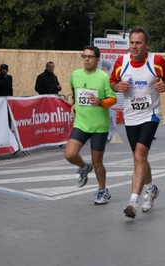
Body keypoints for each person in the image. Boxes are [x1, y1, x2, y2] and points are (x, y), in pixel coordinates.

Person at [109, 26, 165, 219]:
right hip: (130, 116)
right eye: (132, 43)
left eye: (138, 43)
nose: (134, 47)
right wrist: (117, 86)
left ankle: (132, 202)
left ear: (147, 44)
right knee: (139, 158)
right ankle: (151, 189)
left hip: (150, 114)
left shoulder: (157, 61)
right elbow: (112, 82)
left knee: (139, 155)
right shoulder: (122, 62)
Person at [64, 45, 117, 205]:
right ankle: (83, 167)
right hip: (81, 123)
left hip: (99, 126)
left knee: (97, 161)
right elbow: (74, 91)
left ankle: (102, 191)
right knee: (70, 154)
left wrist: (100, 102)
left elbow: (113, 98)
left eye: (90, 56)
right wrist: (73, 103)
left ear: (97, 59)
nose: (86, 59)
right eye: (84, 56)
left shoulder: (104, 77)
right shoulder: (75, 75)